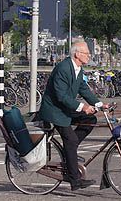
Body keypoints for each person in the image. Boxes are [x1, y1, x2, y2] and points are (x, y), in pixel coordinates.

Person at [34, 41, 108, 191]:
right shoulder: (63, 69)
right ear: (77, 54)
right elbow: (61, 96)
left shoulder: (78, 69)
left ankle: (70, 150)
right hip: (55, 111)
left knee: (90, 119)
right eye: (87, 53)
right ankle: (75, 181)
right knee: (71, 139)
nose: (89, 56)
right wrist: (83, 107)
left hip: (65, 109)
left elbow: (83, 89)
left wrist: (100, 105)